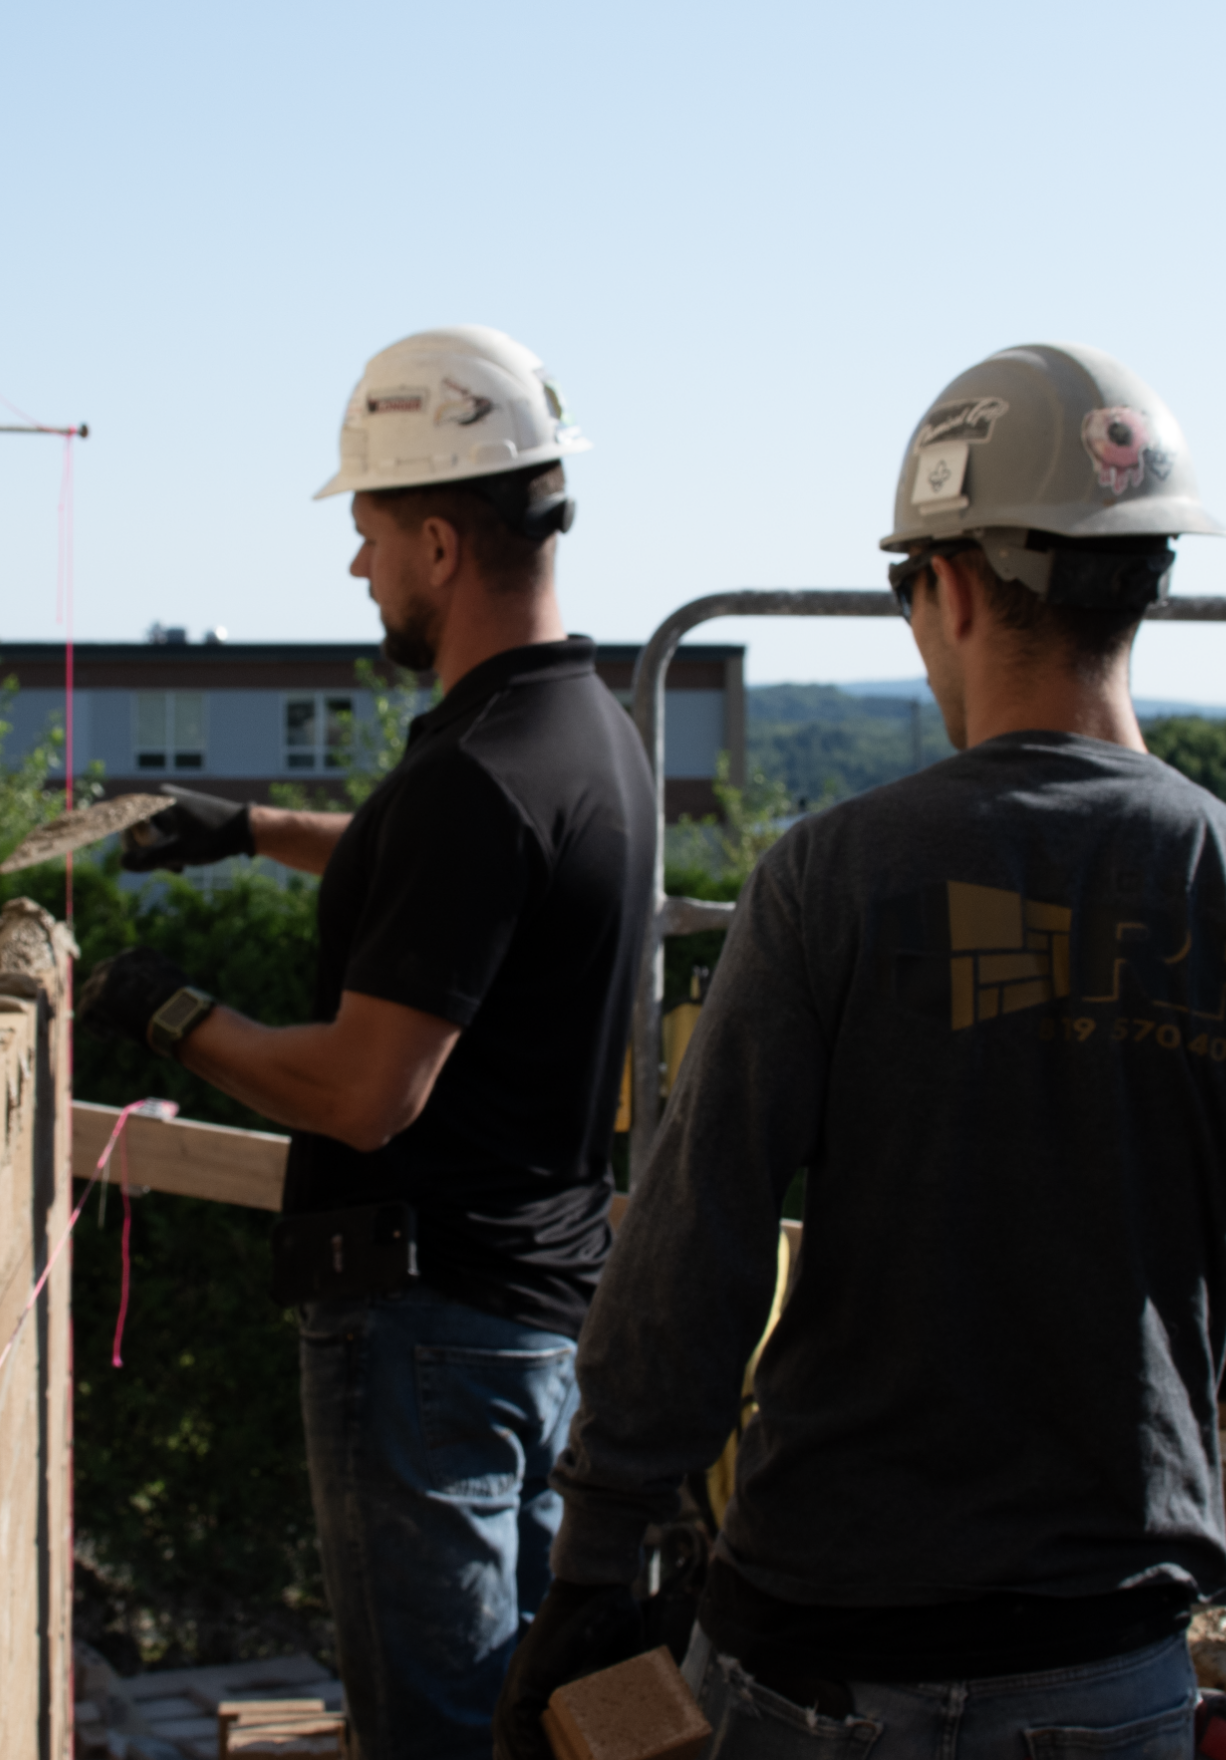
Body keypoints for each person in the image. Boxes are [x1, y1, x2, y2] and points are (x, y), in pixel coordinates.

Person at [495, 342, 1226, 1760]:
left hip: (822, 1662)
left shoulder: (840, 876)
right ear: (1141, 583)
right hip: (1107, 1661)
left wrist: (591, 1575)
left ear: (946, 584)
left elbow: (694, 1251)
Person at [78, 326, 655, 1760]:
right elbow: (462, 893)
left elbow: (364, 1091)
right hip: (533, 1324)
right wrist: (250, 826)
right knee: (524, 1725)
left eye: (370, 532)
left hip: (425, 1330)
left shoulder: (478, 773)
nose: (357, 570)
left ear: (443, 544)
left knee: (436, 1735)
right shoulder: (582, 734)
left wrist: (166, 1012)